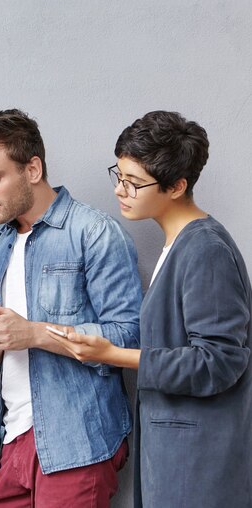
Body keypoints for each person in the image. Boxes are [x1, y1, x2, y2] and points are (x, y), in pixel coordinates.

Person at [49, 110, 252, 507]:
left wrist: (112, 354)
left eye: (134, 183)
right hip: (176, 459)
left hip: (199, 467)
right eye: (119, 176)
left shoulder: (205, 249)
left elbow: (220, 361)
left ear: (177, 186)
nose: (120, 191)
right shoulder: (178, 245)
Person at [0, 109, 142, 507]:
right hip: (13, 440)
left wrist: (35, 333)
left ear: (32, 168)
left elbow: (131, 336)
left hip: (77, 442)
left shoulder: (93, 232)